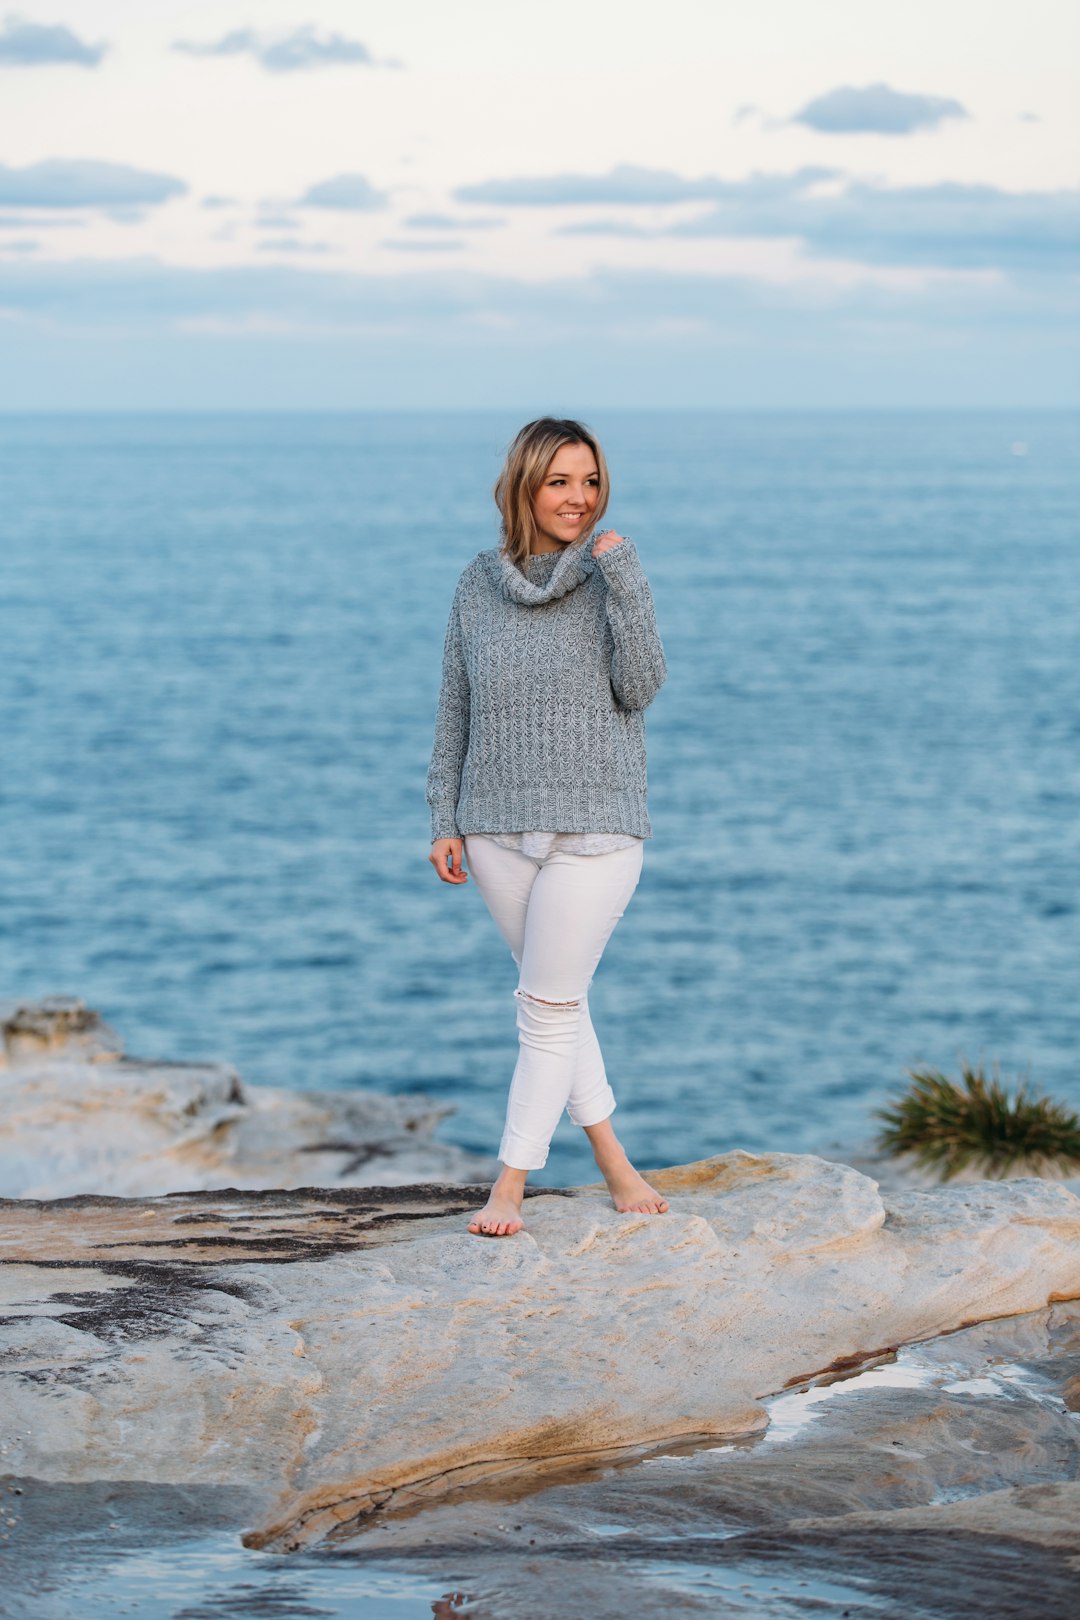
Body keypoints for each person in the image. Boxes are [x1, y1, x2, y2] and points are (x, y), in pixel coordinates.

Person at [426, 417, 669, 1237]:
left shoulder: (611, 577)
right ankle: (612, 1159)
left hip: (598, 829)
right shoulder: (476, 584)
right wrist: (443, 817)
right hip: (494, 829)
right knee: (559, 1006)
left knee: (546, 1006)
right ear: (525, 485)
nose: (579, 498)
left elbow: (641, 688)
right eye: (561, 480)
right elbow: (455, 704)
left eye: (591, 481)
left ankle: (508, 1185)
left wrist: (627, 580)